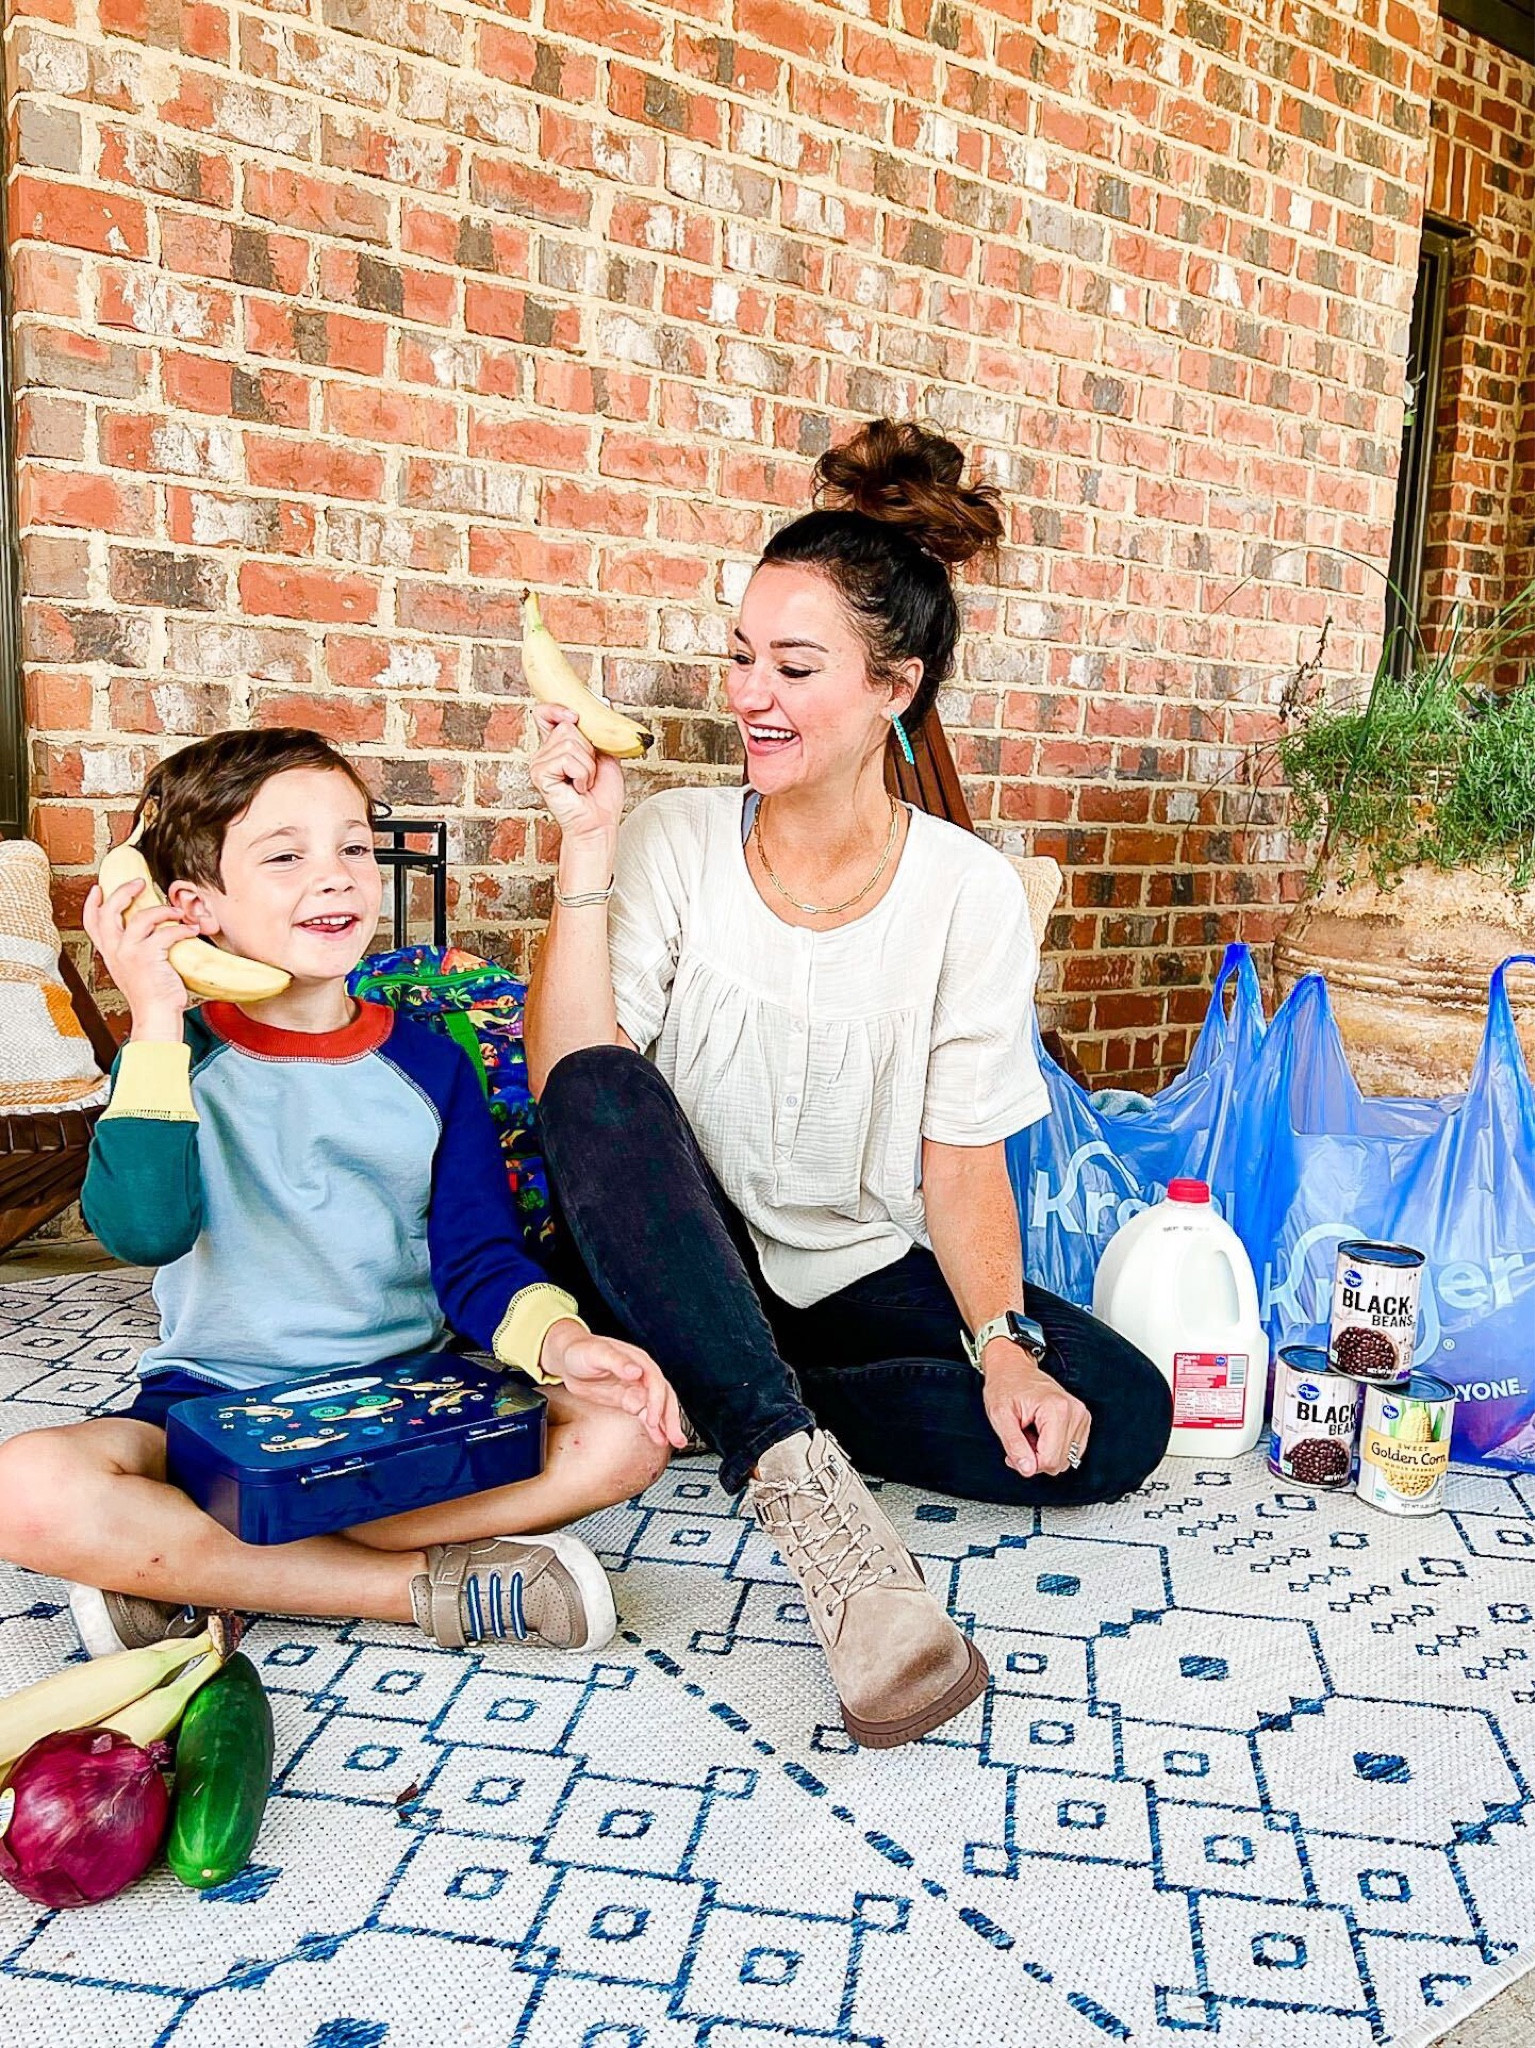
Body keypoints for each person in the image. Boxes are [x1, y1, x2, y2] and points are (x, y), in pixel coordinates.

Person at [524, 418, 1172, 1750]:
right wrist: (585, 850)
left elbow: (958, 1155)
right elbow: (571, 1083)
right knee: (599, 1087)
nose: (748, 695)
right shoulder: (669, 839)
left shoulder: (968, 896)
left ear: (893, 686)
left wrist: (1001, 1349)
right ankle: (803, 1495)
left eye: (792, 666)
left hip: (848, 1267)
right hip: (665, 1249)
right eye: (741, 659)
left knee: (1116, 1416)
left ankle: (731, 1394)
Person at [0, 728, 687, 1661]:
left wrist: (564, 1342)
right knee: (24, 1490)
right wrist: (156, 1017)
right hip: (214, 1411)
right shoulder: (172, 1062)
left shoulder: (430, 1064)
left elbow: (478, 1261)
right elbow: (144, 1230)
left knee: (626, 1434)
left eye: (353, 847)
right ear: (192, 909)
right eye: (284, 855)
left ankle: (202, 1571)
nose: (334, 877)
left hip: (407, 1400)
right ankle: (410, 1590)